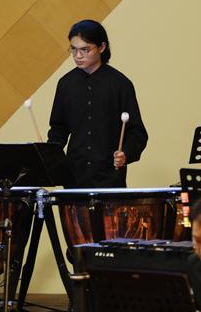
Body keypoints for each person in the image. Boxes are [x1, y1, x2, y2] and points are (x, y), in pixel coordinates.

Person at [48, 20, 148, 188]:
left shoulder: (120, 84)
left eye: (85, 50)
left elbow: (137, 132)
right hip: (74, 177)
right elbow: (59, 128)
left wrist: (126, 154)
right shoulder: (66, 84)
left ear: (101, 47)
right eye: (73, 49)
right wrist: (49, 153)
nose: (78, 56)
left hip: (110, 178)